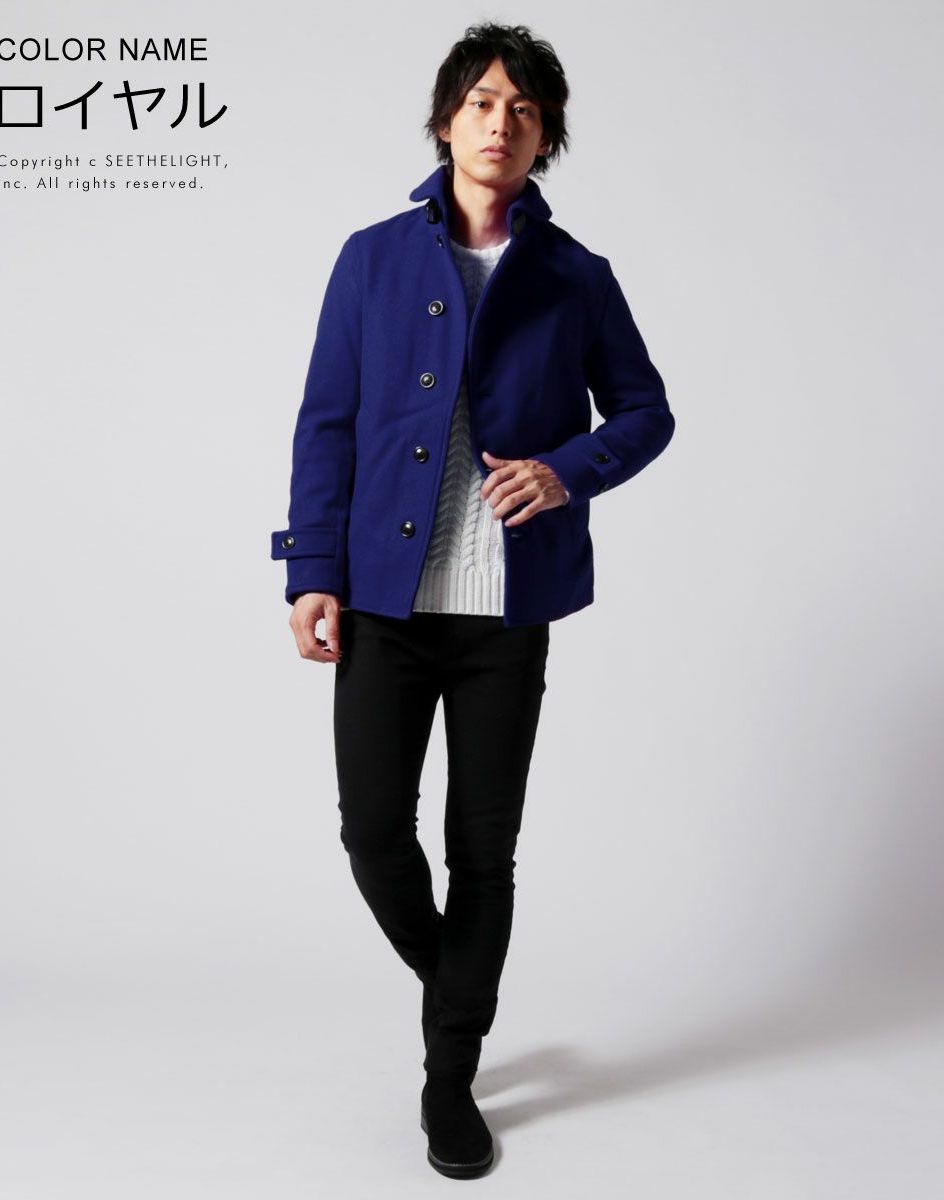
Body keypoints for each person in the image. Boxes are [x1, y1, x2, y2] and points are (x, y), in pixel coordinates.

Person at [270, 21, 675, 1179]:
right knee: (371, 833)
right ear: (447, 120)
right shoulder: (372, 259)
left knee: (480, 851)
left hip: (506, 610)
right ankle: (463, 988)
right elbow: (326, 423)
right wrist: (311, 569)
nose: (502, 123)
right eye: (483, 101)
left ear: (546, 138)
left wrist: (568, 469)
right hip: (385, 602)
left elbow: (645, 411)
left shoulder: (575, 276)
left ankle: (448, 1077)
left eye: (525, 109)